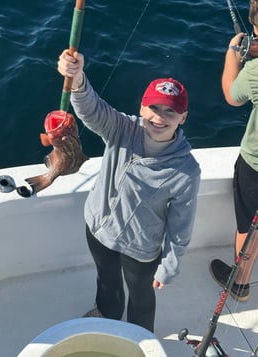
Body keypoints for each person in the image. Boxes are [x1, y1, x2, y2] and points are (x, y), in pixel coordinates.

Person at [57, 49, 201, 332]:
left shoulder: (186, 170)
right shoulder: (121, 127)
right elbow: (90, 108)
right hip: (98, 229)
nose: (160, 118)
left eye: (170, 111)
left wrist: (169, 264)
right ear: (142, 108)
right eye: (154, 108)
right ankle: (108, 317)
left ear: (182, 117)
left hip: (141, 248)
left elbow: (180, 225)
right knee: (106, 281)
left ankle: (139, 336)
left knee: (142, 297)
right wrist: (76, 77)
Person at [210, 0, 258, 302]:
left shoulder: (254, 72)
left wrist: (233, 53)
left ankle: (239, 283)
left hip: (255, 165)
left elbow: (232, 95)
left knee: (249, 225)